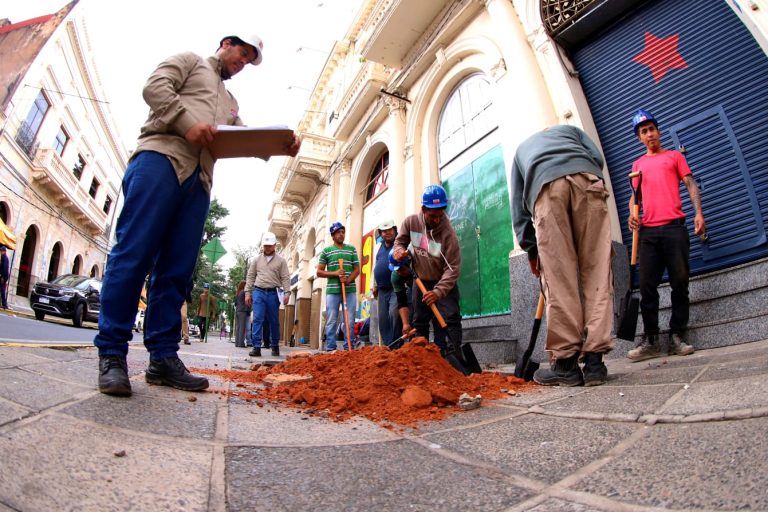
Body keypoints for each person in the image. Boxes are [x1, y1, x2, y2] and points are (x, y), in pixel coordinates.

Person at [93, 32, 301, 397]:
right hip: (161, 159)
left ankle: (162, 357)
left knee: (176, 273)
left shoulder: (231, 101)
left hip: (199, 181)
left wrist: (278, 145)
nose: (243, 62)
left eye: (250, 60)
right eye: (242, 53)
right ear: (226, 42)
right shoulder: (190, 61)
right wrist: (185, 121)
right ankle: (111, 352)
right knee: (133, 256)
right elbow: (155, 87)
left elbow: (243, 136)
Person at [510, 124, 614, 387]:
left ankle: (566, 365)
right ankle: (594, 364)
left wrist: (531, 249)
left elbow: (518, 209)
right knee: (597, 271)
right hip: (588, 180)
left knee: (560, 280)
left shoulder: (522, 151)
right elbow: (596, 157)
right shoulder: (570, 130)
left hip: (547, 188)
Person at [627, 110, 705, 361]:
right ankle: (650, 339)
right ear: (639, 138)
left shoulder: (673, 157)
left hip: (674, 227)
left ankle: (677, 336)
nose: (649, 134)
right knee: (648, 287)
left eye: (651, 129)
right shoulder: (637, 165)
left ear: (658, 131)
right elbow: (634, 198)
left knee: (680, 283)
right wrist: (632, 214)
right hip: (648, 232)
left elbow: (691, 184)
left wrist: (698, 214)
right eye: (643, 132)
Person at [392, 185, 463, 365]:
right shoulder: (411, 223)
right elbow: (399, 242)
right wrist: (399, 250)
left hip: (444, 284)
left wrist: (438, 292)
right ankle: (420, 364)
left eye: (440, 215)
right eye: (433, 216)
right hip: (421, 280)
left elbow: (453, 268)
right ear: (423, 209)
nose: (437, 220)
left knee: (451, 319)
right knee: (420, 322)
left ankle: (454, 362)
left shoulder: (448, 235)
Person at [389, 249, 446, 351]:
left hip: (435, 286)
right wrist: (406, 324)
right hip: (415, 290)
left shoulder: (422, 265)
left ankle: (441, 350)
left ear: (409, 264)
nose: (399, 272)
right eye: (397, 270)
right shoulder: (396, 276)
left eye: (401, 269)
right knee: (418, 320)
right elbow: (401, 301)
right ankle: (422, 352)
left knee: (439, 318)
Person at [245, 232, 291, 357]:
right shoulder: (256, 260)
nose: (267, 248)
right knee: (258, 319)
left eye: (270, 245)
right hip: (258, 291)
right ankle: (256, 347)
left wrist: (287, 293)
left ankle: (275, 346)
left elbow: (286, 278)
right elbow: (250, 277)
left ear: (274, 245)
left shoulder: (281, 261)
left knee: (274, 320)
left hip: (273, 293)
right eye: (265, 245)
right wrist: (247, 293)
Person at [317, 222, 360, 351]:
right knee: (331, 320)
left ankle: (349, 347)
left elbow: (357, 269)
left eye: (342, 232)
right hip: (332, 291)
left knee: (350, 320)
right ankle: (331, 348)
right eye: (338, 232)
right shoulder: (326, 251)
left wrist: (348, 280)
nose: (341, 234)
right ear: (333, 235)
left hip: (349, 290)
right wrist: (335, 273)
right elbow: (319, 272)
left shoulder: (351, 249)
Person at [372, 219, 399, 346]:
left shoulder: (399, 244)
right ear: (380, 233)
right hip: (381, 289)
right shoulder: (379, 247)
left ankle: (396, 345)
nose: (387, 233)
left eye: (389, 230)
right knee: (383, 320)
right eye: (384, 231)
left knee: (394, 314)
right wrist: (375, 286)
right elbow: (376, 266)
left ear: (394, 230)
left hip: (396, 287)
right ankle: (388, 346)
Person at [234, 280, 251, 348]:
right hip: (243, 311)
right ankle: (241, 343)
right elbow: (248, 302)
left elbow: (235, 303)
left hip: (238, 311)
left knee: (238, 327)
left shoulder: (238, 293)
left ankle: (237, 343)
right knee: (242, 327)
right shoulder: (244, 292)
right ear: (244, 285)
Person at [0, 245, 9, 310]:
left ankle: (4, 304)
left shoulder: (5, 258)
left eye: (1, 251)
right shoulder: (3, 257)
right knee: (2, 290)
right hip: (3, 276)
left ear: (4, 251)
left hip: (4, 276)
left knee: (2, 290)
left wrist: (3, 277)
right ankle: (4, 304)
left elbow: (5, 268)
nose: (0, 252)